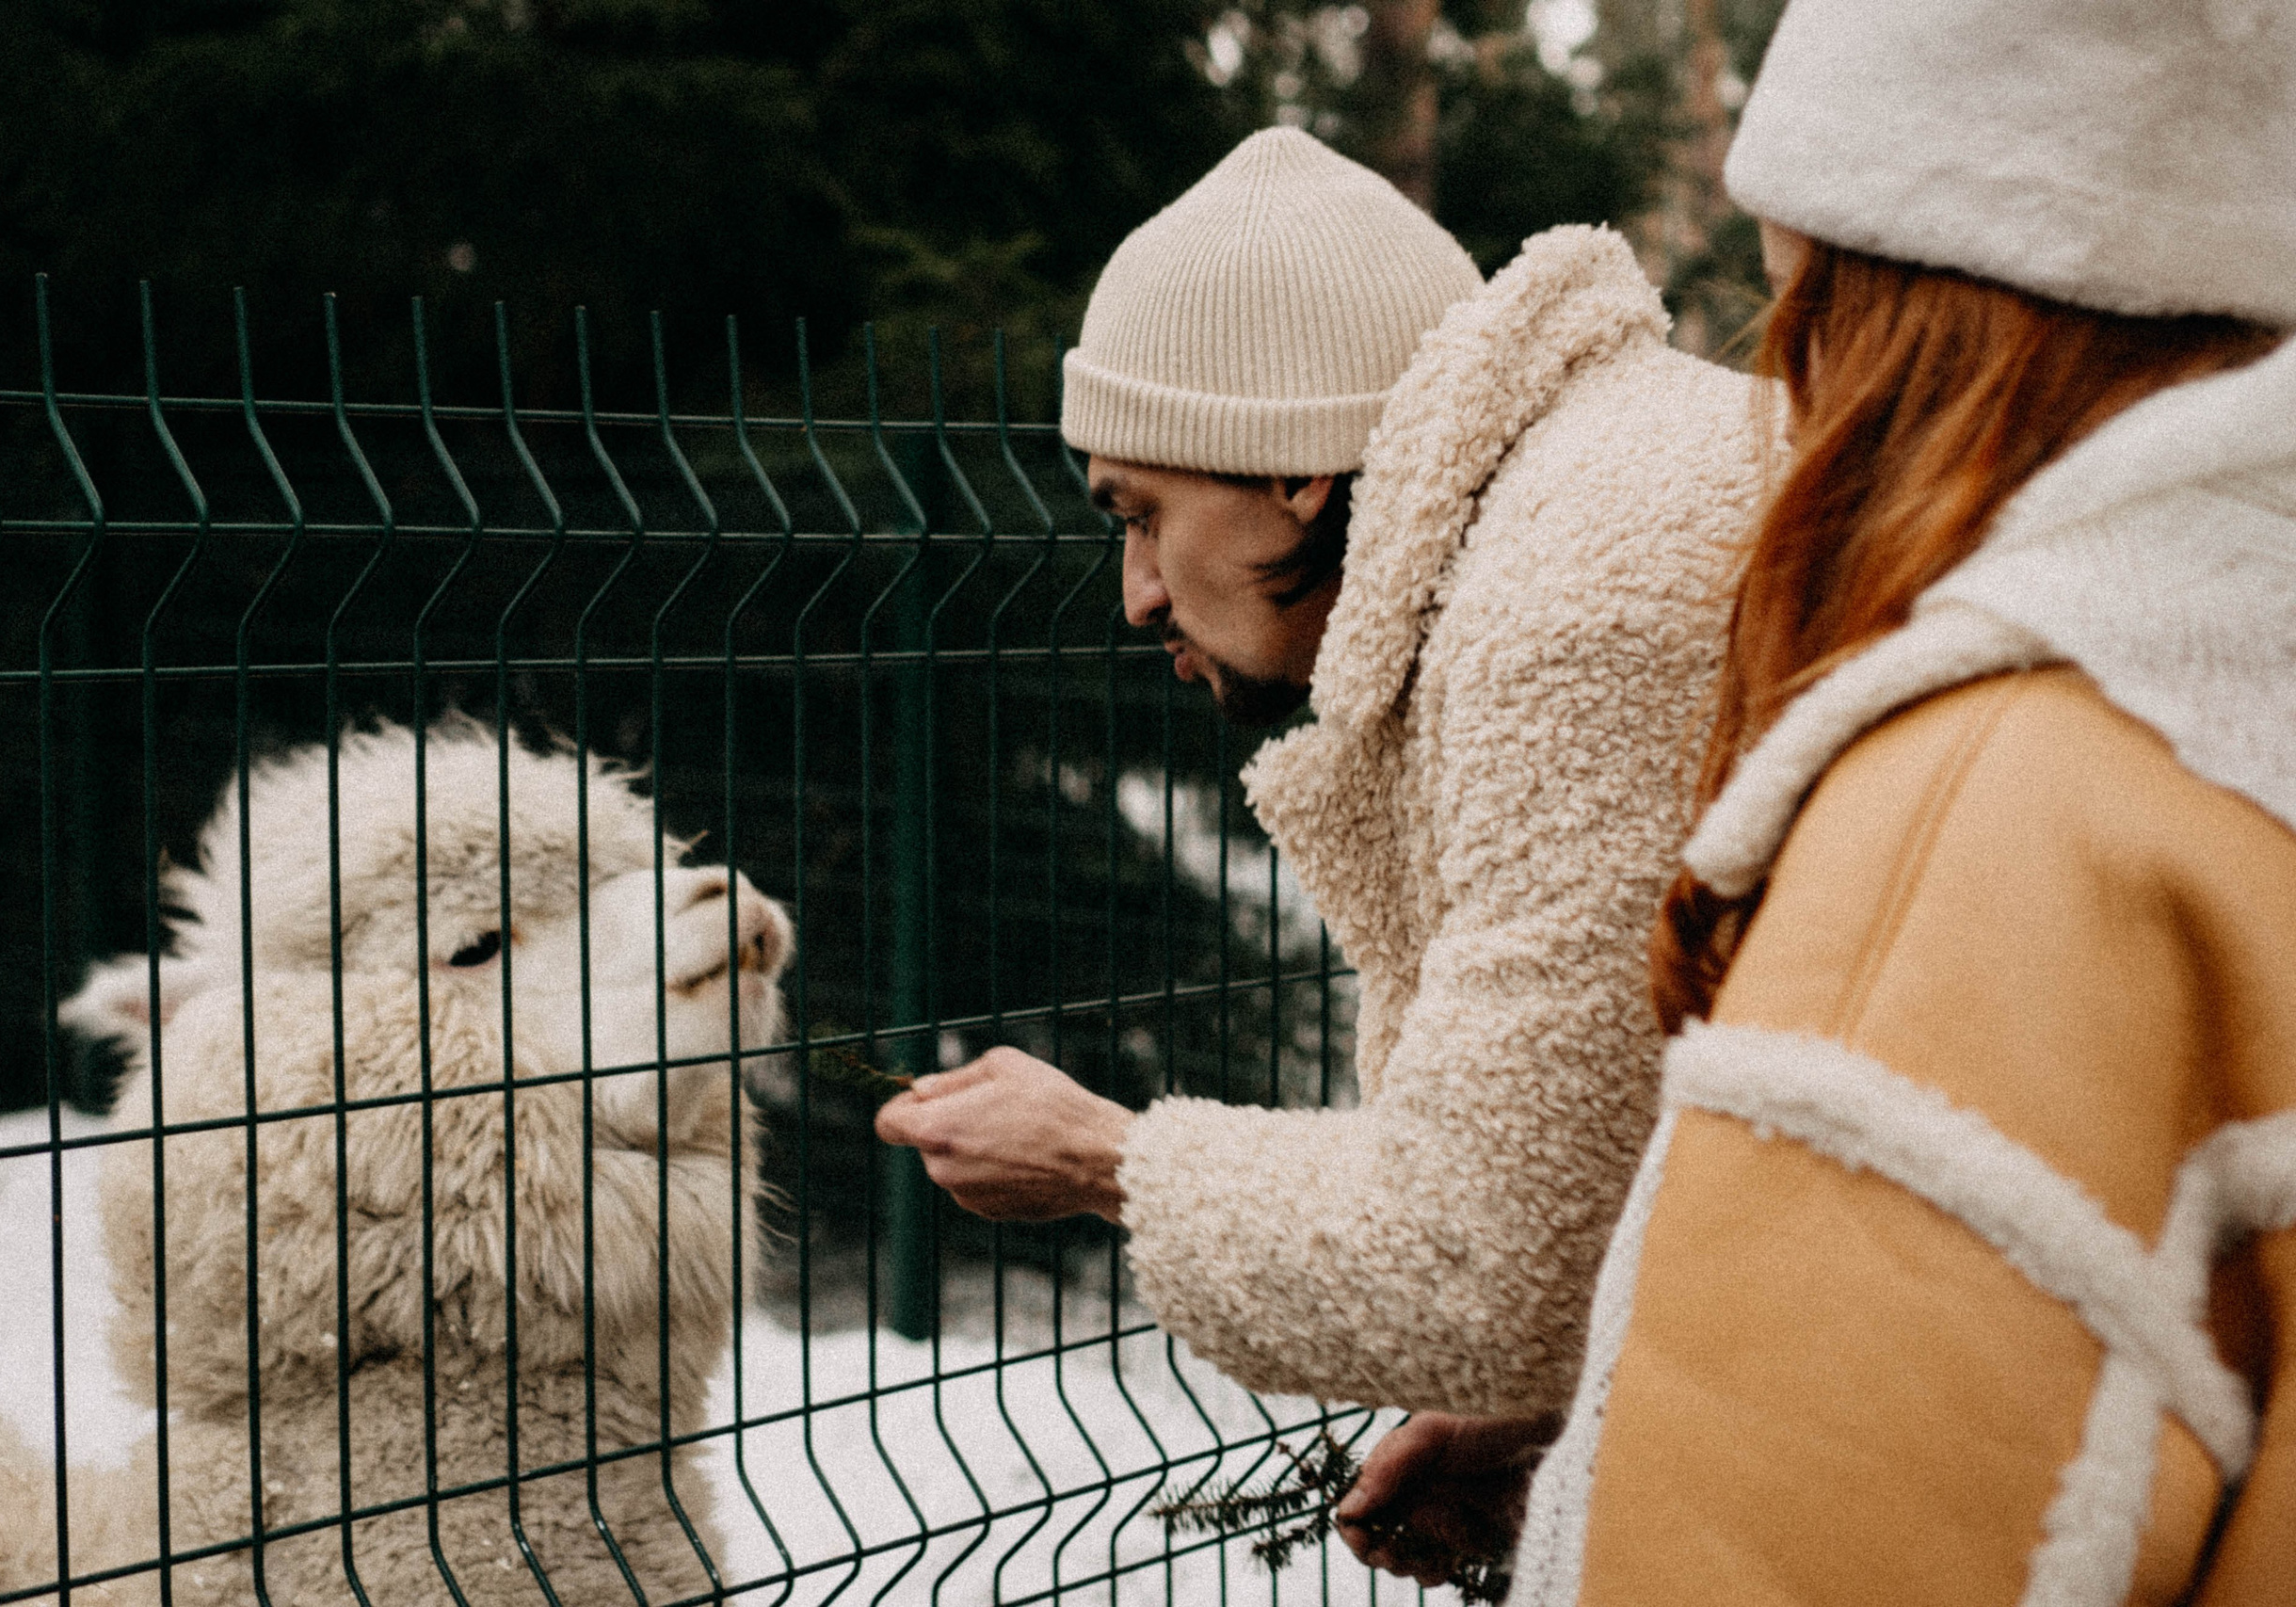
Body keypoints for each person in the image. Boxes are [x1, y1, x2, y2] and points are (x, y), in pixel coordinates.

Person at [1344, 0, 2296, 1599]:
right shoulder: (2238, 716)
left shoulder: (1992, 813)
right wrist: (1627, 1417)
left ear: (1915, 315)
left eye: (1800, 301)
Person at [875, 127, 1770, 1431]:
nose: (1132, 596)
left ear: (1296, 470)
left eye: (1139, 515)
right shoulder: (1587, 506)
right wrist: (1533, 1417)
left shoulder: (1580, 600)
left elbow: (1484, 1262)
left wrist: (1107, 1159)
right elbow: (1644, 1152)